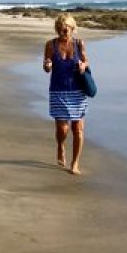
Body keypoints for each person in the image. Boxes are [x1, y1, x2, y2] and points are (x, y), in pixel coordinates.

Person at [43, 14, 89, 175]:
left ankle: (75, 163)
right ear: (57, 29)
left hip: (78, 91)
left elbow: (85, 61)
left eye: (67, 29)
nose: (65, 32)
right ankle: (61, 146)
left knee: (78, 129)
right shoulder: (50, 44)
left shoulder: (79, 44)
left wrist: (83, 66)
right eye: (62, 29)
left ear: (72, 28)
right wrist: (48, 65)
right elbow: (46, 67)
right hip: (58, 91)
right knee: (63, 129)